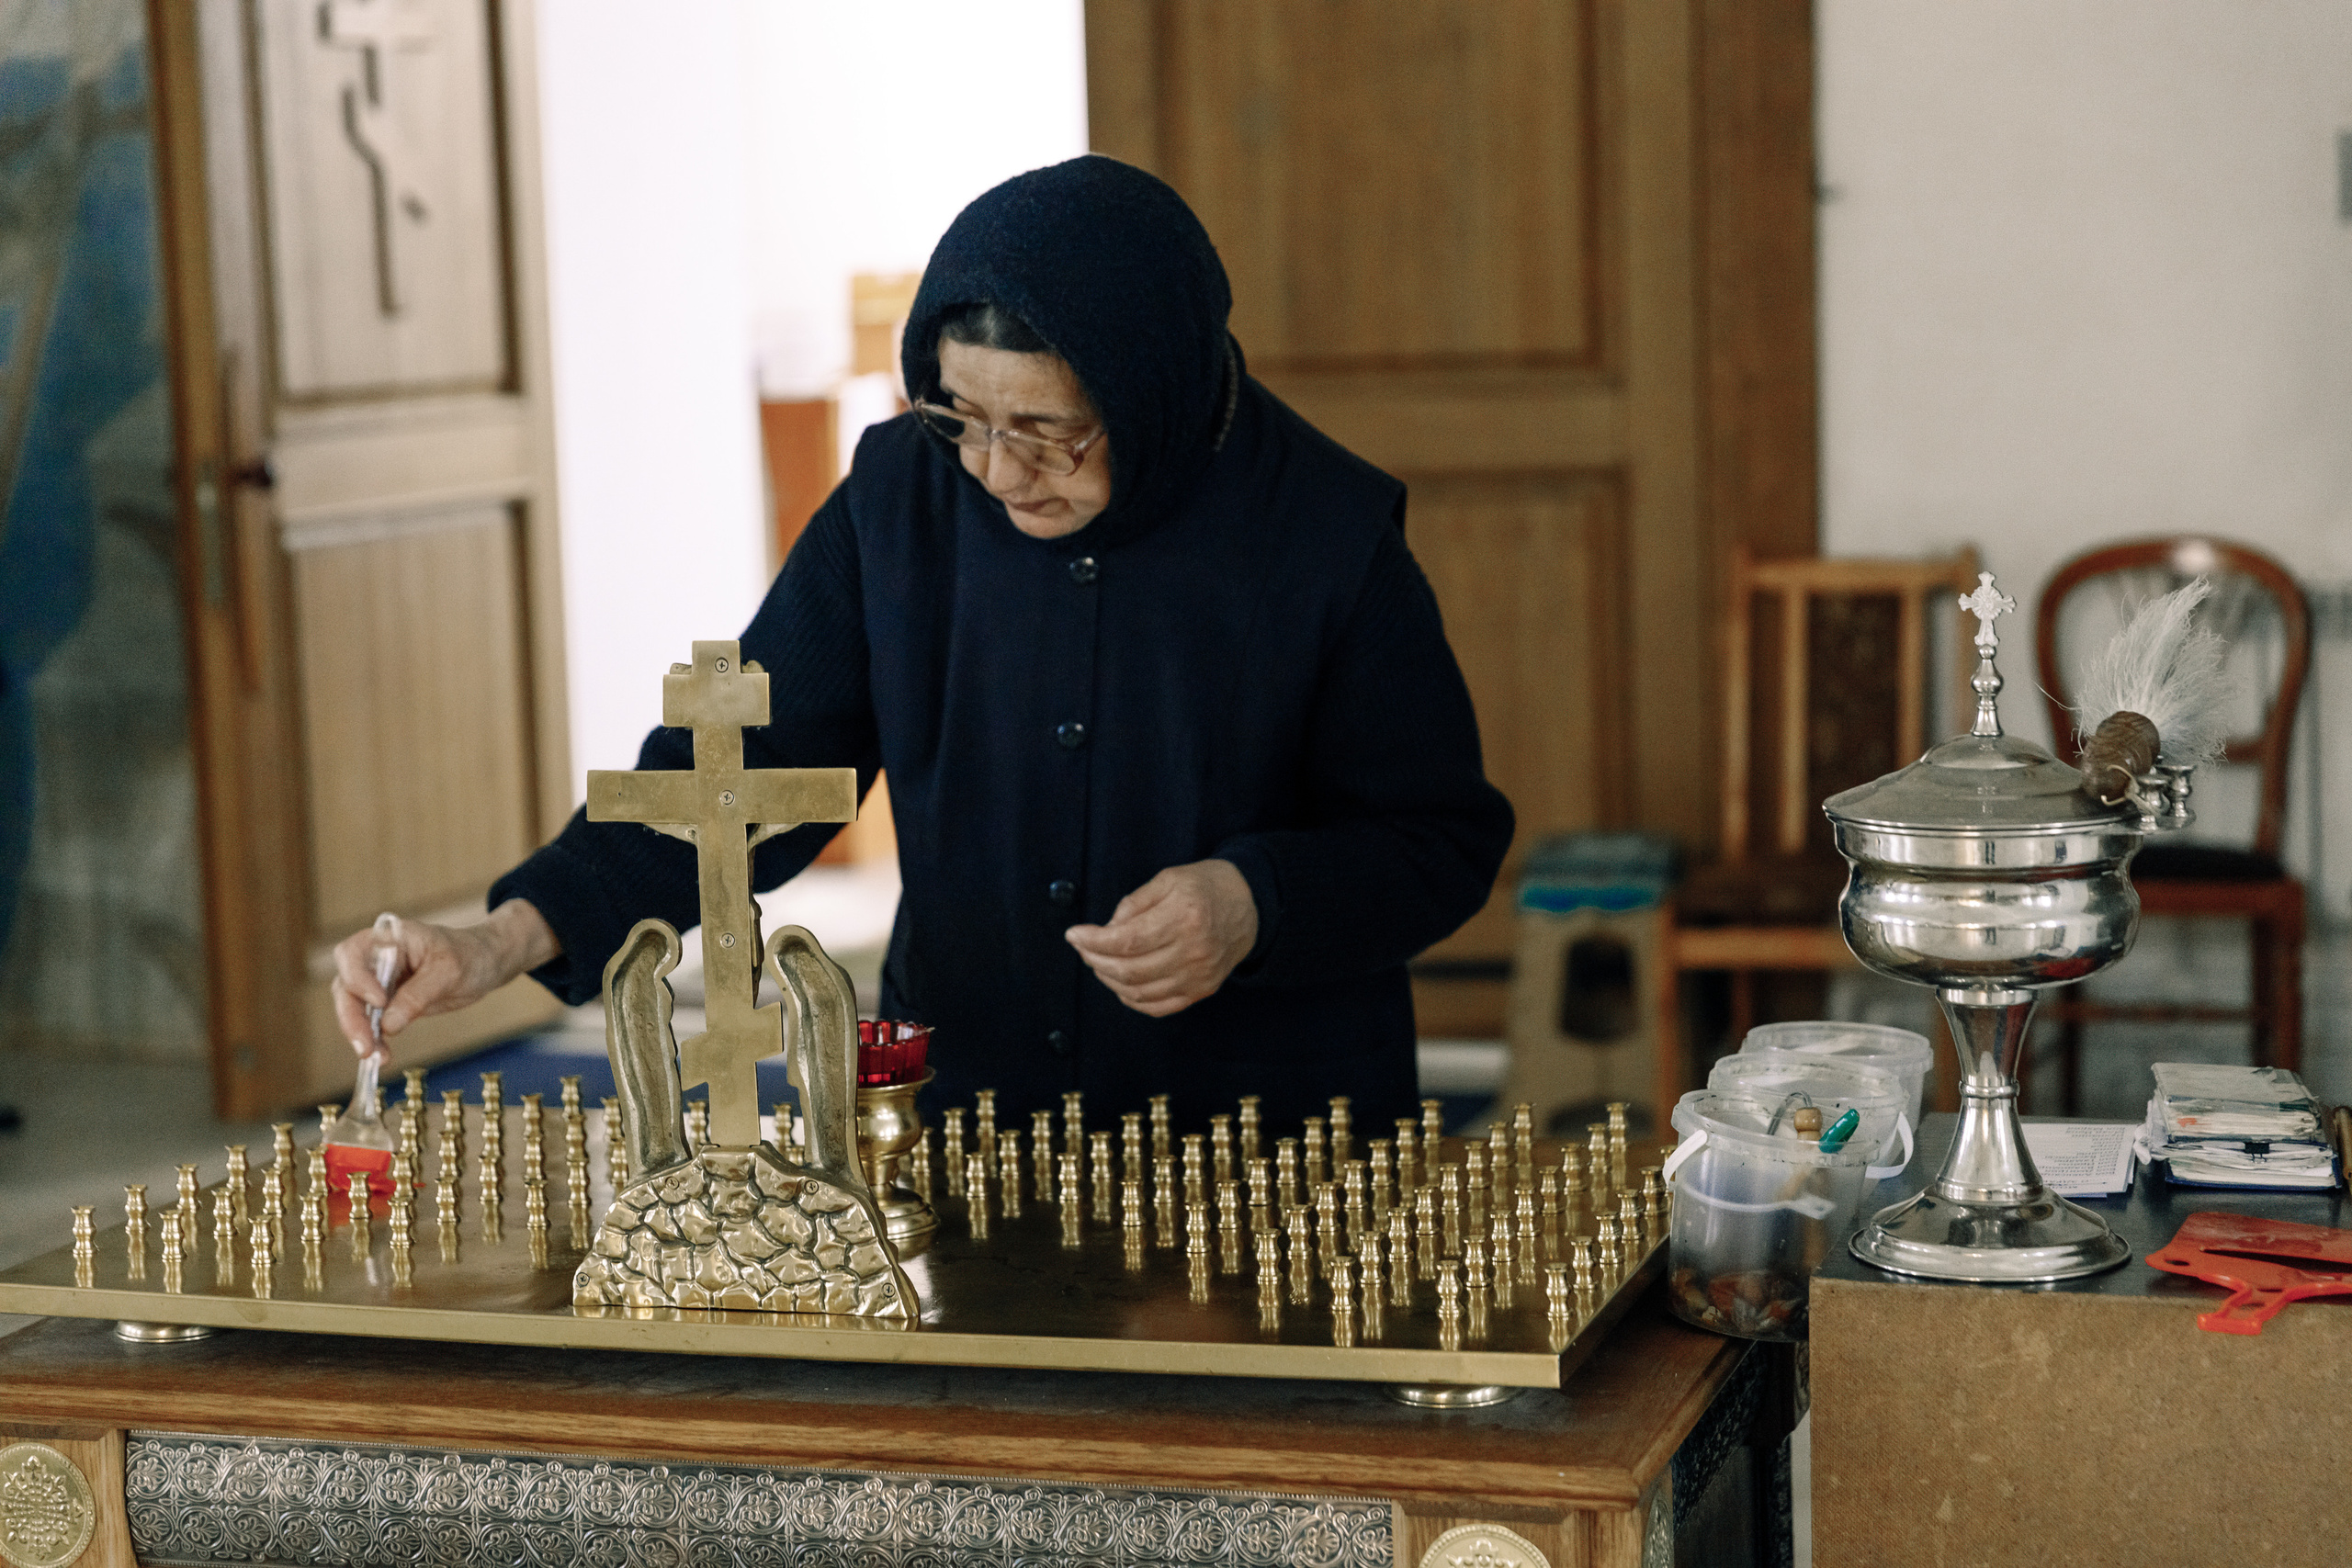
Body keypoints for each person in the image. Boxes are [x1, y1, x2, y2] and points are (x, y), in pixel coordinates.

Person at [334, 156, 1512, 1133]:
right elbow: (733, 776)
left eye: (1049, 432)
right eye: (961, 418)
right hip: (966, 1110)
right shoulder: (902, 501)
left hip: (1259, 1131)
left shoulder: (1324, 533)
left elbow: (1438, 840)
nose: (998, 471)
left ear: (1151, 395)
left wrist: (1256, 900)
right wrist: (500, 938)